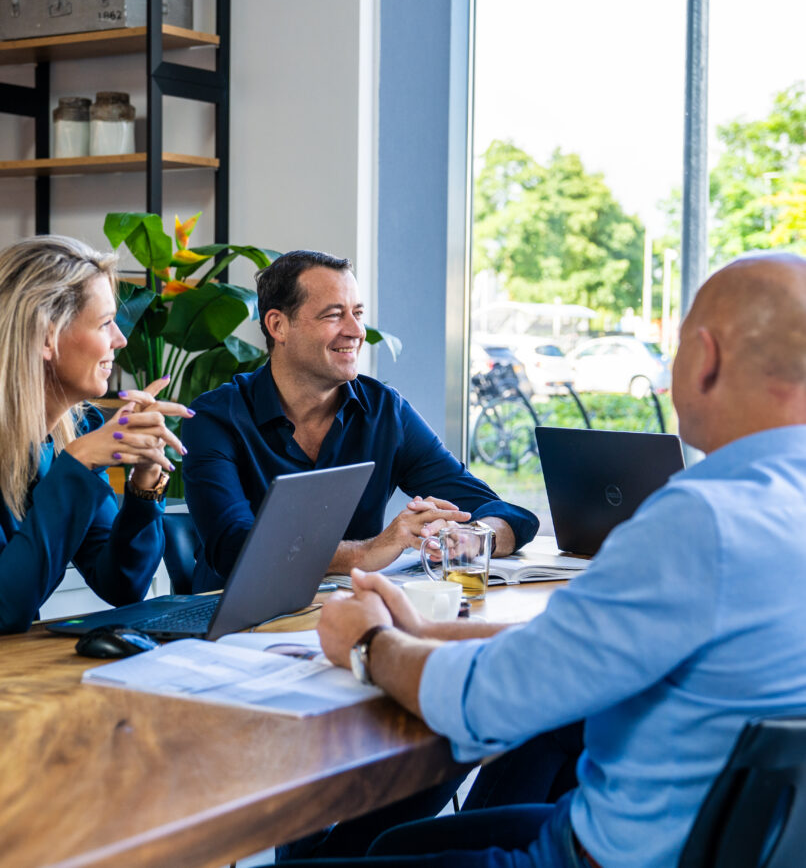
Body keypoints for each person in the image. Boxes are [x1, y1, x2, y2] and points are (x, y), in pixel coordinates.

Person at [296, 252, 806, 868]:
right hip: (741, 843)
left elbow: (489, 703)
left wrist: (369, 643)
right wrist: (426, 630)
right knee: (392, 844)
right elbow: (586, 644)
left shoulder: (701, 522)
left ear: (706, 357)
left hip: (611, 856)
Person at [182, 250, 538, 586]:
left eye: (358, 313)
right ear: (278, 326)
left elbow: (507, 514)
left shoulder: (385, 410)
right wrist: (369, 551)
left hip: (347, 617)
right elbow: (234, 548)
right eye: (334, 315)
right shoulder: (215, 418)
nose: (356, 331)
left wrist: (472, 539)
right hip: (233, 626)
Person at [0, 235, 192, 635]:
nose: (120, 340)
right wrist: (80, 464)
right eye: (106, 323)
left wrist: (143, 483)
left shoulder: (78, 428)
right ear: (44, 337)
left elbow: (122, 584)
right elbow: (4, 609)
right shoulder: (79, 450)